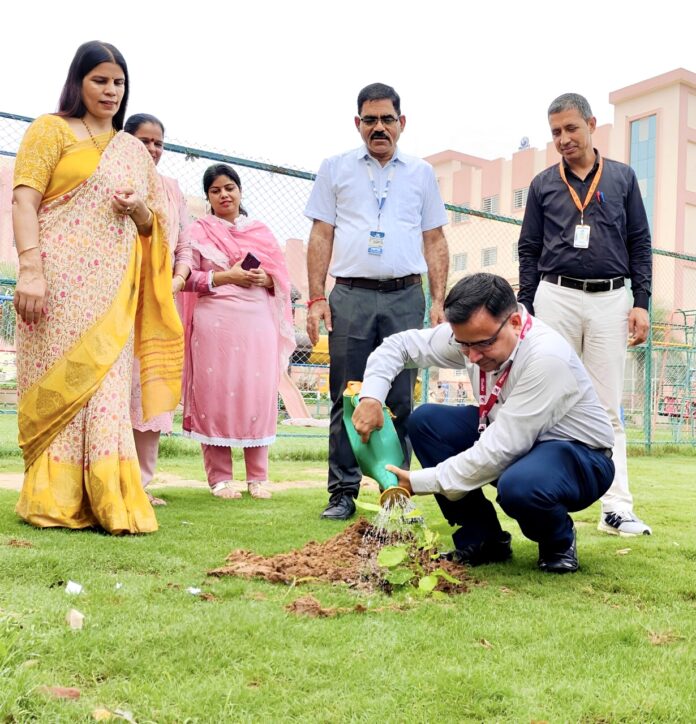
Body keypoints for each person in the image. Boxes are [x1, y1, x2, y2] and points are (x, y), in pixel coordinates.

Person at [12, 41, 183, 533]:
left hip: (111, 290)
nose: (110, 91)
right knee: (62, 385)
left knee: (106, 390)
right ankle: (56, 499)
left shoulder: (132, 150)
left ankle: (111, 501)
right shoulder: (50, 130)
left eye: (118, 82)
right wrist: (30, 271)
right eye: (100, 80)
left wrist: (137, 210)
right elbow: (24, 203)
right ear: (78, 82)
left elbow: (157, 227)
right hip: (56, 284)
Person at [352, 273, 616, 573]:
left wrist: (418, 482)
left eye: (484, 344)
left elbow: (500, 449)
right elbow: (398, 346)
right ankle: (483, 539)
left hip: (580, 457)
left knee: (520, 485)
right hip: (517, 441)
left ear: (515, 322)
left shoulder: (546, 357)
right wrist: (371, 396)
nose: (473, 356)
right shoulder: (470, 336)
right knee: (427, 422)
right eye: (464, 345)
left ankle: (558, 541)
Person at [304, 82, 449, 520]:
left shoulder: (421, 173)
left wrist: (438, 300)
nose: (379, 127)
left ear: (402, 124)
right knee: (345, 395)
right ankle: (342, 492)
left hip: (407, 295)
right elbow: (320, 235)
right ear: (358, 124)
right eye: (370, 120)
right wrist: (315, 297)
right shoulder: (335, 168)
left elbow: (435, 238)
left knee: (401, 398)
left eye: (388, 119)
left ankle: (396, 490)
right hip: (350, 295)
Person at [517, 93, 652, 537]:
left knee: (606, 406)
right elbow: (529, 249)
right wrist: (527, 305)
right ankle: (546, 501)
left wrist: (641, 302)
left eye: (571, 128)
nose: (563, 139)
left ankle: (617, 508)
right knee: (548, 400)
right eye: (556, 131)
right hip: (554, 297)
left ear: (592, 124)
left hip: (610, 300)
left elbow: (639, 244)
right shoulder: (542, 184)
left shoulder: (623, 179)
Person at [181, 164, 295, 499]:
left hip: (256, 321)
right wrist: (225, 277)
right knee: (215, 392)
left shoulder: (260, 231)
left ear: (240, 191)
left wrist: (267, 279)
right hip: (214, 321)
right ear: (208, 198)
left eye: (229, 187)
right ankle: (220, 477)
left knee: (256, 391)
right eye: (215, 190)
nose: (224, 195)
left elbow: (283, 279)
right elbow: (187, 279)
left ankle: (257, 476)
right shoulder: (198, 232)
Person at [125, 113, 193, 506]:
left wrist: (177, 280)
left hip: (160, 300)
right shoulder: (112, 177)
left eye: (158, 143)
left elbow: (184, 243)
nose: (152, 149)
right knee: (115, 388)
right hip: (117, 298)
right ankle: (111, 478)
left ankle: (140, 484)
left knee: (150, 385)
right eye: (143, 141)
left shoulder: (171, 188)